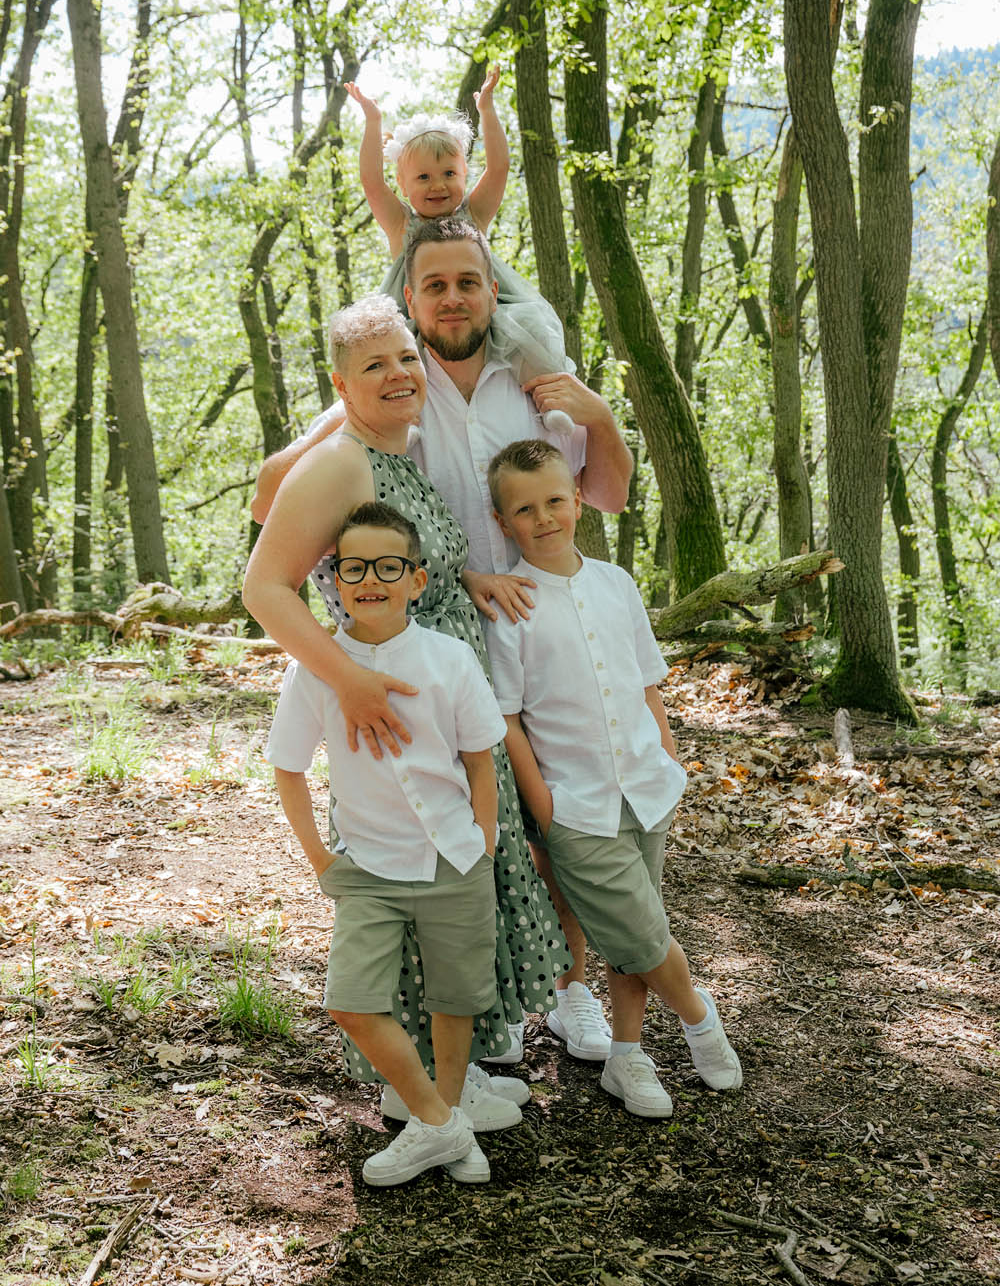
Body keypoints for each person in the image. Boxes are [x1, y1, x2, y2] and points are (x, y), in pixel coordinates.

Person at [250, 221, 634, 1062]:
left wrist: (597, 412)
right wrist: (346, 673)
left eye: (470, 280)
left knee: (535, 826)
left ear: (492, 290)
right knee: (435, 840)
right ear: (413, 302)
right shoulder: (379, 422)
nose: (453, 297)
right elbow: (269, 527)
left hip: (521, 627)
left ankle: (536, 1010)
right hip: (416, 667)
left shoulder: (526, 384)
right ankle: (438, 1060)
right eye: (434, 286)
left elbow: (601, 494)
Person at [484, 439, 743, 1117]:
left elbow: (648, 683)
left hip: (646, 786)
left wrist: (669, 760)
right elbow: (508, 719)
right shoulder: (511, 606)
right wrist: (545, 804)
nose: (543, 518)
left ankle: (626, 1059)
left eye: (554, 501)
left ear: (575, 497)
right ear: (502, 519)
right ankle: (698, 1017)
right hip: (576, 804)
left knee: (639, 930)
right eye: (524, 509)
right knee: (641, 933)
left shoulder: (616, 582)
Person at [265, 501, 519, 1185]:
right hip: (368, 866)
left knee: (455, 997)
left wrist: (485, 845)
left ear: (417, 578)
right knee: (350, 1000)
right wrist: (321, 860)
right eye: (354, 568)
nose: (369, 580)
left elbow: (479, 761)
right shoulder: (315, 667)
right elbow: (287, 769)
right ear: (334, 580)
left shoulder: (449, 657)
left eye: (387, 566)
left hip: (456, 859)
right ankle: (440, 1122)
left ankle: (442, 1118)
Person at [345, 66, 575, 433]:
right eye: (423, 177)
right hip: (415, 310)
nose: (438, 185)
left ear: (464, 175)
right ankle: (409, 420)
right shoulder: (401, 224)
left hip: (480, 304)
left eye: (449, 174)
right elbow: (371, 181)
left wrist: (486, 109)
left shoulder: (473, 214)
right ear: (403, 185)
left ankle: (550, 404)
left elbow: (499, 167)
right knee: (397, 349)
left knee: (529, 330)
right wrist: (373, 121)